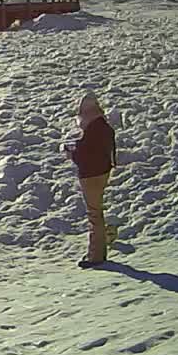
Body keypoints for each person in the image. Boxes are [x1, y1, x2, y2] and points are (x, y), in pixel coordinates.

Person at [67, 92, 116, 267]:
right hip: (103, 172)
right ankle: (108, 235)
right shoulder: (104, 127)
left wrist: (71, 152)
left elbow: (84, 156)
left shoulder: (92, 129)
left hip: (90, 175)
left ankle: (96, 257)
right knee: (97, 210)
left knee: (94, 214)